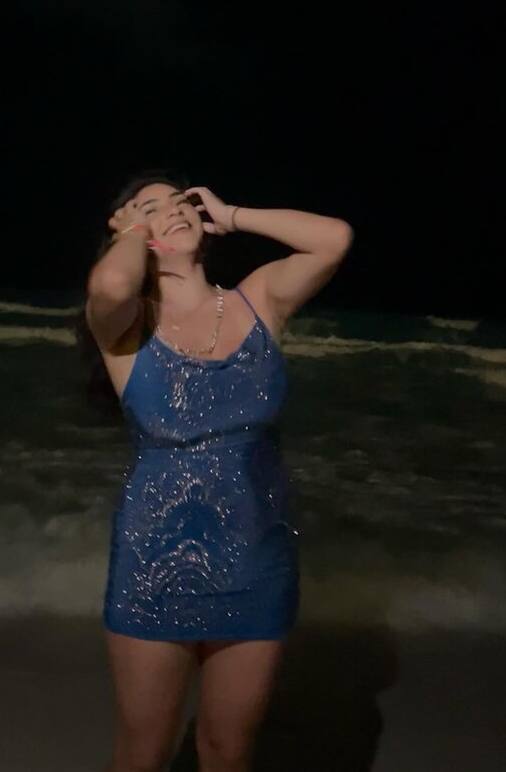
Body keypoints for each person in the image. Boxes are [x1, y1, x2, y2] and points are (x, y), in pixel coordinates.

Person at [79, 169, 353, 772]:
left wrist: (232, 215)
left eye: (180, 201)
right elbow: (113, 280)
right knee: (144, 754)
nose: (173, 210)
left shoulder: (259, 300)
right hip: (154, 568)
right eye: (151, 206)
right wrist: (134, 233)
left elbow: (334, 239)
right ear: (128, 228)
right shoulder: (126, 324)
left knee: (228, 752)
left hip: (257, 560)